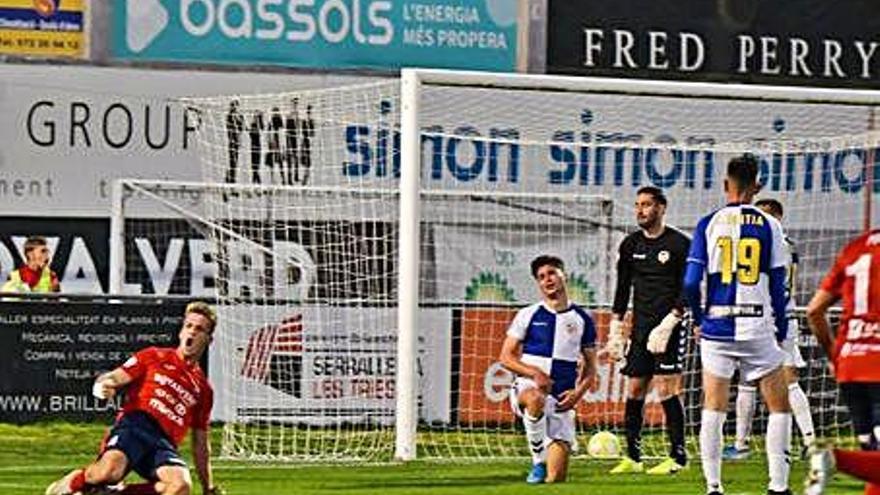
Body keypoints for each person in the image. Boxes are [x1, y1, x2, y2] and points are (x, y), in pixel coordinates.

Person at [683, 154, 793, 495]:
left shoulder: (708, 223)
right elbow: (778, 284)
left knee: (713, 406)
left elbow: (689, 284)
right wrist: (783, 329)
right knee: (779, 406)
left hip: (717, 326)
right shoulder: (771, 225)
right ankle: (778, 486)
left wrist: (700, 319)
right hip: (758, 325)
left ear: (725, 184)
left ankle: (714, 487)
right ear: (757, 186)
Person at [45, 302, 221, 495]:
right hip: (135, 425)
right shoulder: (154, 356)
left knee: (180, 486)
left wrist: (208, 487)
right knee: (109, 473)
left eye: (199, 329)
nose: (192, 333)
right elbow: (114, 376)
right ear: (181, 332)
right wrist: (102, 386)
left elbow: (200, 443)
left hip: (163, 443)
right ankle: (75, 481)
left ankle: (116, 493)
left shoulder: (204, 389)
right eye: (189, 326)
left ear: (208, 339)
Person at [605, 186, 691, 475]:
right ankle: (633, 457)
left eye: (647, 205)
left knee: (667, 388)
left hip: (670, 326)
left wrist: (671, 322)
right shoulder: (630, 244)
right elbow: (622, 287)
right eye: (638, 205)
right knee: (635, 388)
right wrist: (616, 328)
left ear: (661, 208)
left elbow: (688, 288)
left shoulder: (680, 244)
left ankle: (678, 457)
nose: (641, 210)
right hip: (640, 328)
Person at [723, 199, 815, 460]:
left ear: (776, 217)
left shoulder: (772, 243)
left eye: (762, 216)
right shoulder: (785, 244)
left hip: (768, 317)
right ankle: (744, 443)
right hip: (775, 315)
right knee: (754, 379)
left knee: (781, 379)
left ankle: (745, 445)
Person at [499, 255, 598, 484]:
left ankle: (548, 466)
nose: (547, 280)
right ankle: (538, 462)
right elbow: (505, 357)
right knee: (535, 398)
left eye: (552, 273)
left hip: (562, 399)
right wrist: (534, 373)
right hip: (529, 386)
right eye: (541, 277)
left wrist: (577, 394)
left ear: (564, 276)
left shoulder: (583, 319)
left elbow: (591, 367)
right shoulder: (528, 314)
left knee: (556, 481)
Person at [804, 229, 880, 495]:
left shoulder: (856, 248)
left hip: (851, 365)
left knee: (874, 458)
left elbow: (814, 310)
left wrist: (835, 354)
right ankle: (834, 459)